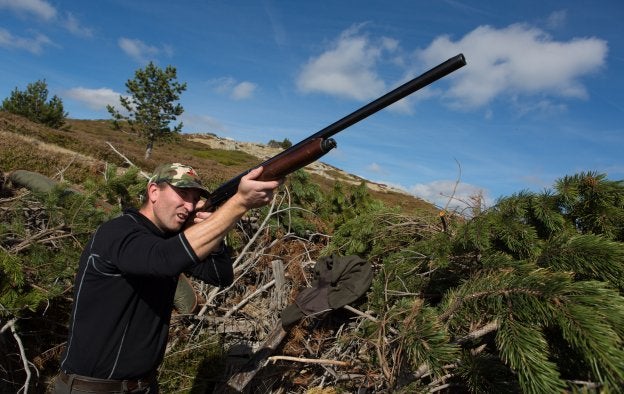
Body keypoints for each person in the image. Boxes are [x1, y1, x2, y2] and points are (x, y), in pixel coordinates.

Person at [54, 163, 281, 393]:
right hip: (92, 389)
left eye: (194, 199)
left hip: (144, 386)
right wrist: (239, 203)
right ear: (153, 192)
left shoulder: (167, 239)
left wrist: (210, 235)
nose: (189, 205)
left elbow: (220, 276)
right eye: (182, 194)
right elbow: (164, 260)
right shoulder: (119, 232)